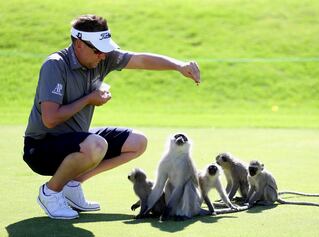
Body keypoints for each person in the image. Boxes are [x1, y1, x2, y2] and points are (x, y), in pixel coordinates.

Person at [23, 14, 201, 219]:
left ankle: (73, 184)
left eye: (105, 49)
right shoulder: (55, 65)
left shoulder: (102, 58)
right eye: (98, 50)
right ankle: (51, 192)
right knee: (96, 145)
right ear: (79, 44)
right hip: (41, 148)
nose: (103, 56)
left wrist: (179, 66)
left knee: (137, 142)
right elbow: (50, 119)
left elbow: (141, 59)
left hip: (77, 140)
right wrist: (90, 98)